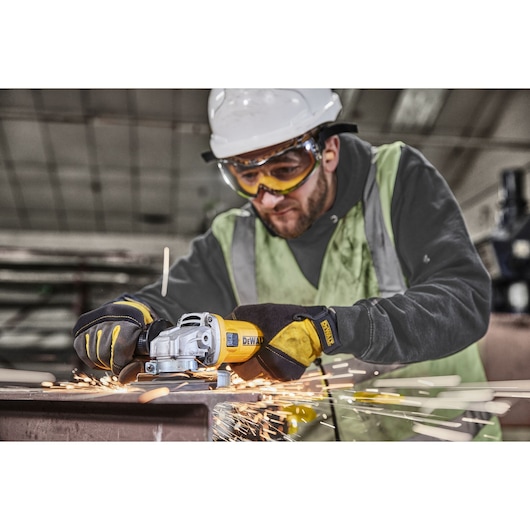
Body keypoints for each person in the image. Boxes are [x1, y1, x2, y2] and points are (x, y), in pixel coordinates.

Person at [73, 89, 501, 441]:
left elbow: (464, 300)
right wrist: (126, 315)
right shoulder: (233, 237)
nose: (267, 196)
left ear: (328, 150)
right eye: (246, 175)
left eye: (284, 169)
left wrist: (332, 327)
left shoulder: (397, 180)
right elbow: (165, 298)